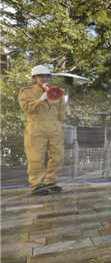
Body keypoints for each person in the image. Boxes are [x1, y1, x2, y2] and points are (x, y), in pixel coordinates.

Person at [18, 65, 66, 195]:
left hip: (54, 126)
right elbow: (27, 109)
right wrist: (40, 100)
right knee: (36, 157)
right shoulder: (26, 92)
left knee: (58, 155)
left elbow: (62, 112)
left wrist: (57, 124)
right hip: (36, 126)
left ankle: (50, 181)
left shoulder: (58, 92)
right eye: (41, 76)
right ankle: (36, 185)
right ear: (34, 78)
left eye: (47, 76)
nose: (44, 78)